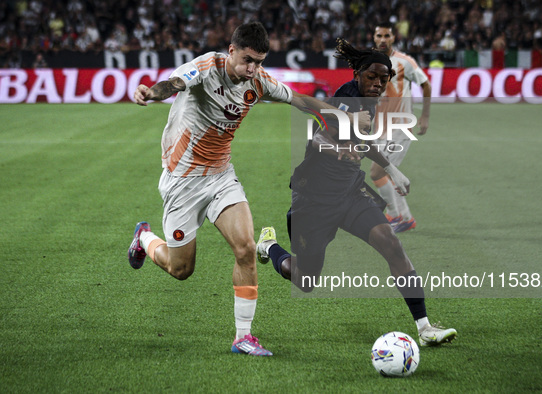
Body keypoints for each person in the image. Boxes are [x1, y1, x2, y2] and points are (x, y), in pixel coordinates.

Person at [128, 22, 370, 357]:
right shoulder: (205, 68)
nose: (252, 68)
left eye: (258, 61)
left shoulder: (257, 81)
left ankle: (244, 336)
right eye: (247, 59)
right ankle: (143, 237)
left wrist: (345, 117)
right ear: (231, 51)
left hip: (221, 177)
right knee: (181, 269)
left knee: (245, 248)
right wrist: (149, 93)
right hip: (182, 180)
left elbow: (301, 101)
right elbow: (171, 84)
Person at [256, 38, 457, 347]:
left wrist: (391, 169)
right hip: (314, 200)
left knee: (391, 244)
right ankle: (270, 247)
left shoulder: (369, 100)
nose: (377, 83)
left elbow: (363, 142)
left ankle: (425, 327)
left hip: (350, 193)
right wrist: (338, 151)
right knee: (306, 280)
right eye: (371, 77)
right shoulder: (346, 101)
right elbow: (316, 141)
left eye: (383, 78)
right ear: (358, 75)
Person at [370, 22, 432, 233]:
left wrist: (424, 116)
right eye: (379, 35)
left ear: (393, 38)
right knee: (385, 173)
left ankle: (397, 216)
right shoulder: (368, 63)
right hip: (379, 128)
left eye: (387, 35)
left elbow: (426, 84)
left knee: (378, 171)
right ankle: (403, 217)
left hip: (400, 127)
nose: (383, 39)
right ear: (374, 37)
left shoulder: (405, 62)